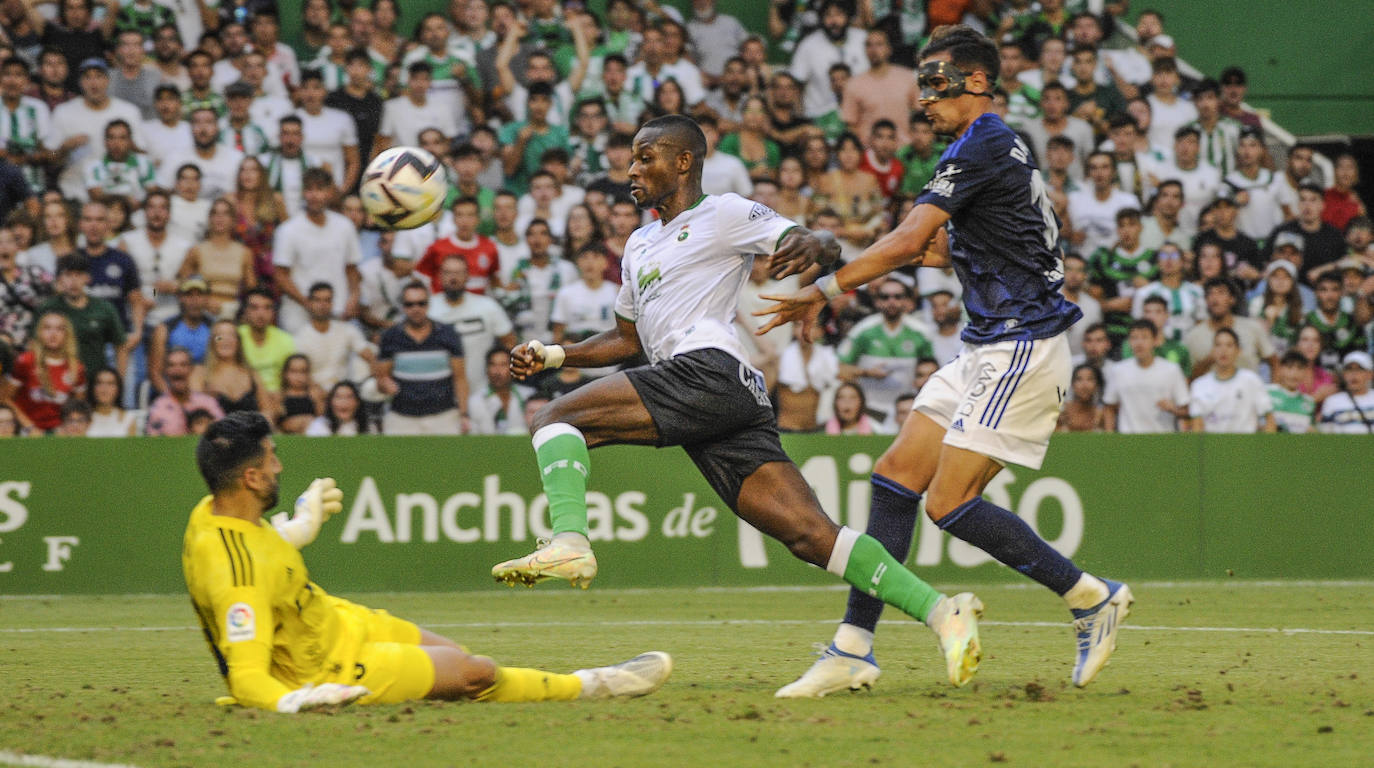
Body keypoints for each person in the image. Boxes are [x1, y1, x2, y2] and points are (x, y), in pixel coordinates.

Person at [495, 113, 988, 696]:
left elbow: (813, 241)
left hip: (708, 370)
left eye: (645, 157)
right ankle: (942, 611)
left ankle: (570, 541)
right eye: (630, 159)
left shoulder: (723, 213)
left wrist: (814, 244)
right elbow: (627, 340)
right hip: (722, 396)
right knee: (809, 535)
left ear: (683, 162)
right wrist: (556, 355)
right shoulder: (637, 244)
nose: (631, 170)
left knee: (554, 419)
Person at [756, 27, 1131, 696]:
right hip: (987, 344)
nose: (922, 100)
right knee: (895, 478)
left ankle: (1089, 596)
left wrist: (820, 292)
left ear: (976, 85)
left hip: (1022, 342)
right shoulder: (984, 150)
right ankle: (854, 647)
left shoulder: (984, 141)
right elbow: (926, 252)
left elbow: (907, 241)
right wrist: (837, 254)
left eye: (935, 86)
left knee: (948, 503)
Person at [184, 411, 673, 712]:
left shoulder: (213, 514)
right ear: (249, 478)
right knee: (476, 672)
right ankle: (593, 684)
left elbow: (249, 551)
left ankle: (576, 682)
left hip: (337, 621)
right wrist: (296, 699)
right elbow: (247, 676)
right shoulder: (237, 574)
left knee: (455, 659)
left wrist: (293, 532)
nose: (279, 466)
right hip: (327, 667)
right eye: (270, 458)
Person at [376, 281, 468, 436]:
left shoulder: (448, 334)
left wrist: (464, 414)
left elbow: (460, 379)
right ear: (403, 306)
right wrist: (385, 385)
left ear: (428, 305)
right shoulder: (390, 337)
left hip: (443, 417)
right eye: (409, 304)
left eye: (421, 303)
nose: (415, 309)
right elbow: (382, 379)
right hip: (402, 418)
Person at [1103, 319, 1190, 433]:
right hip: (1128, 440)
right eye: (1134, 338)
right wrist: (1110, 437)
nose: (1139, 343)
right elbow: (1109, 407)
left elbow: (1186, 410)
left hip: (1162, 440)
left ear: (1155, 340)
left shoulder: (1172, 369)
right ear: (1129, 342)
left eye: (1144, 337)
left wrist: (1173, 409)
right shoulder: (1118, 370)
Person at [1187, 327, 1275, 433]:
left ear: (1238, 351)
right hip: (1212, 447)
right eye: (1218, 345)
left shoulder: (1251, 380)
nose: (1223, 350)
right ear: (1212, 351)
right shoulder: (1199, 385)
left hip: (1245, 446)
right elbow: (1197, 426)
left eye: (1229, 345)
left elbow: (1269, 420)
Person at [7, 311, 84, 432]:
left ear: (67, 334)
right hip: (27, 431)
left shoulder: (77, 368)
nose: (53, 334)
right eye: (47, 328)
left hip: (61, 432)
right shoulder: (25, 361)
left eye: (59, 329)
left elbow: (78, 407)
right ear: (39, 333)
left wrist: (65, 429)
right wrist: (29, 426)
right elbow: (6, 398)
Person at [146, 346, 224, 436]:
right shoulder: (158, 408)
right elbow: (153, 443)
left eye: (183, 364)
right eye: (172, 365)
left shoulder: (208, 403)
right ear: (166, 371)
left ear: (191, 369)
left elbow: (223, 435)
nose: (177, 369)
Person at [199, 318, 270, 415]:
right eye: (219, 337)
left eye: (231, 335)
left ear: (238, 341)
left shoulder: (252, 374)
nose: (225, 340)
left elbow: (267, 410)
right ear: (212, 342)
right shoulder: (200, 374)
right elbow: (196, 413)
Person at [1317, 351, 1374, 434]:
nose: (1354, 374)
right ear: (1344, 374)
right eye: (1349, 369)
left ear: (1370, 374)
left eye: (1359, 369)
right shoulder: (1332, 402)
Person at [1267, 351, 1317, 434]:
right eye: (1289, 367)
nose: (1294, 374)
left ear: (1305, 372)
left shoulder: (1309, 402)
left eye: (1299, 368)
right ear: (1281, 369)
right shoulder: (1267, 392)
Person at [275, 353, 323, 435]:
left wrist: (317, 401)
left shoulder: (314, 394)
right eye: (293, 371)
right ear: (285, 374)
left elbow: (323, 420)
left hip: (311, 438)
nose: (298, 376)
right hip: (288, 438)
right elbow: (274, 424)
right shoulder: (279, 396)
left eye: (303, 372)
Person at [85, 366, 137, 436]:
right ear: (92, 388)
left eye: (110, 383)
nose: (104, 388)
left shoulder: (128, 419)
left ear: (118, 389)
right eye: (99, 383)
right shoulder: (82, 418)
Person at [1056, 363, 1106, 432]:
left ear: (1097, 385)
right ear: (1072, 384)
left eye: (1090, 379)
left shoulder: (1101, 416)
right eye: (1079, 379)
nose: (1084, 385)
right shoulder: (1061, 413)